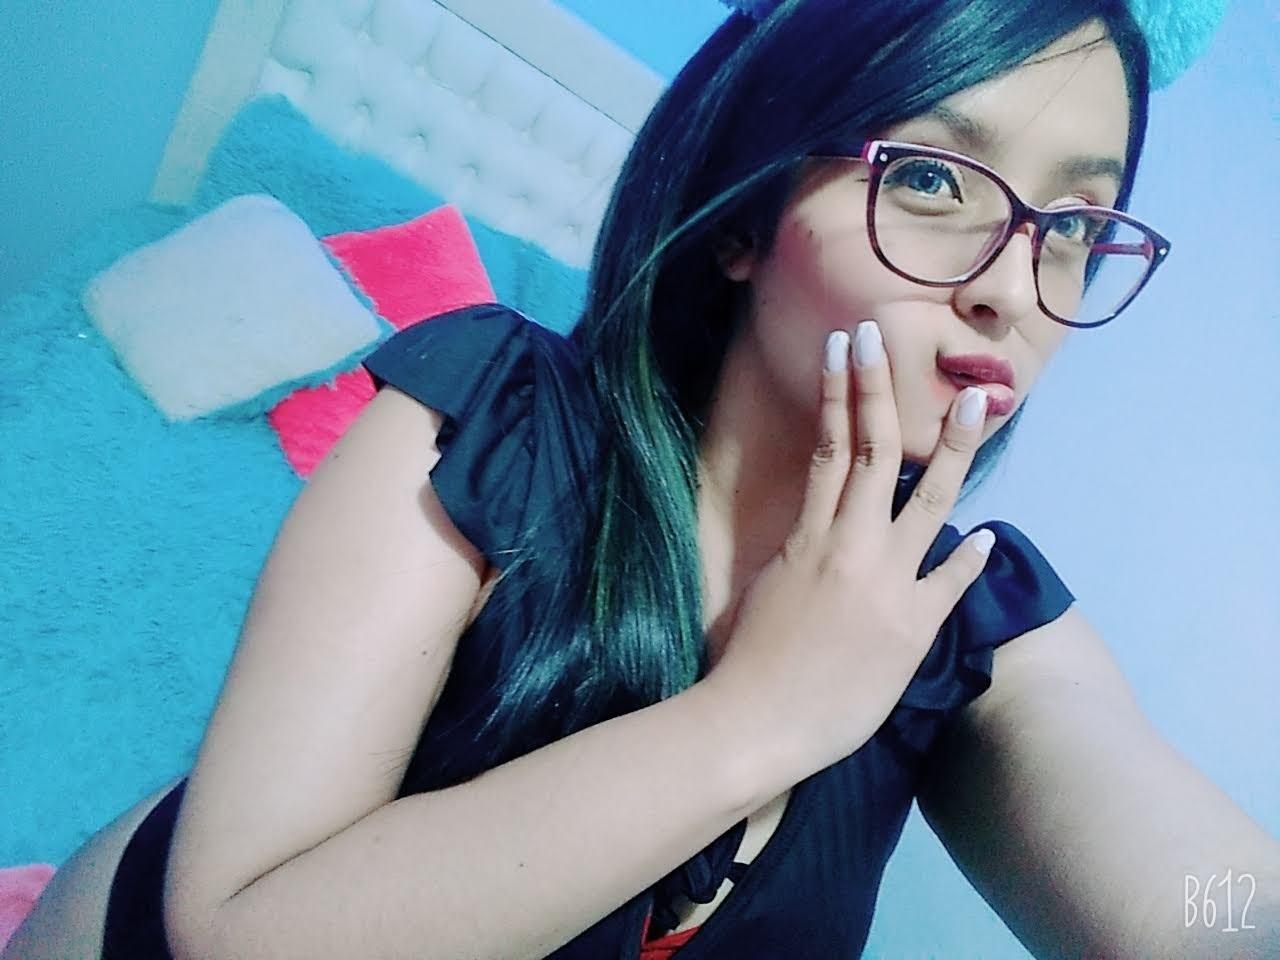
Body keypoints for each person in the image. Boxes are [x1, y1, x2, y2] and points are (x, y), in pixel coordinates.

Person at [6, 0, 1278, 958]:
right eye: (932, 179)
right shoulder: (485, 422)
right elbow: (235, 934)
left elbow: (1215, 913)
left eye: (1073, 227)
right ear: (744, 223)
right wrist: (758, 717)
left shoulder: (972, 617)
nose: (1011, 285)